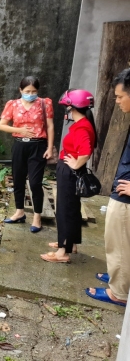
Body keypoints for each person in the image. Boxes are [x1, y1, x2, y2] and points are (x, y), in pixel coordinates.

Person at [86, 68, 130, 307]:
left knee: (120, 244)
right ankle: (119, 278)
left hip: (126, 199)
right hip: (123, 189)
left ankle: (119, 293)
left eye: (119, 96)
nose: (117, 101)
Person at [40, 89, 96, 263]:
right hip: (71, 172)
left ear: (73, 107)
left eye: (68, 108)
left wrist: (75, 164)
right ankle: (70, 244)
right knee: (72, 209)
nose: (67, 111)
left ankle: (62, 253)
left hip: (70, 172)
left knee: (65, 210)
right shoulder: (85, 124)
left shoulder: (81, 127)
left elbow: (85, 152)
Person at [0, 76, 54, 233]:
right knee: (18, 179)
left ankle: (37, 216)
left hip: (38, 146)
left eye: (34, 91)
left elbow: (50, 127)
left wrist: (49, 148)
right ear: (20, 90)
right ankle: (19, 212)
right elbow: (2, 125)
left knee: (35, 182)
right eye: (27, 91)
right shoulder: (13, 105)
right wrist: (19, 130)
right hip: (19, 145)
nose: (31, 94)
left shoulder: (44, 103)